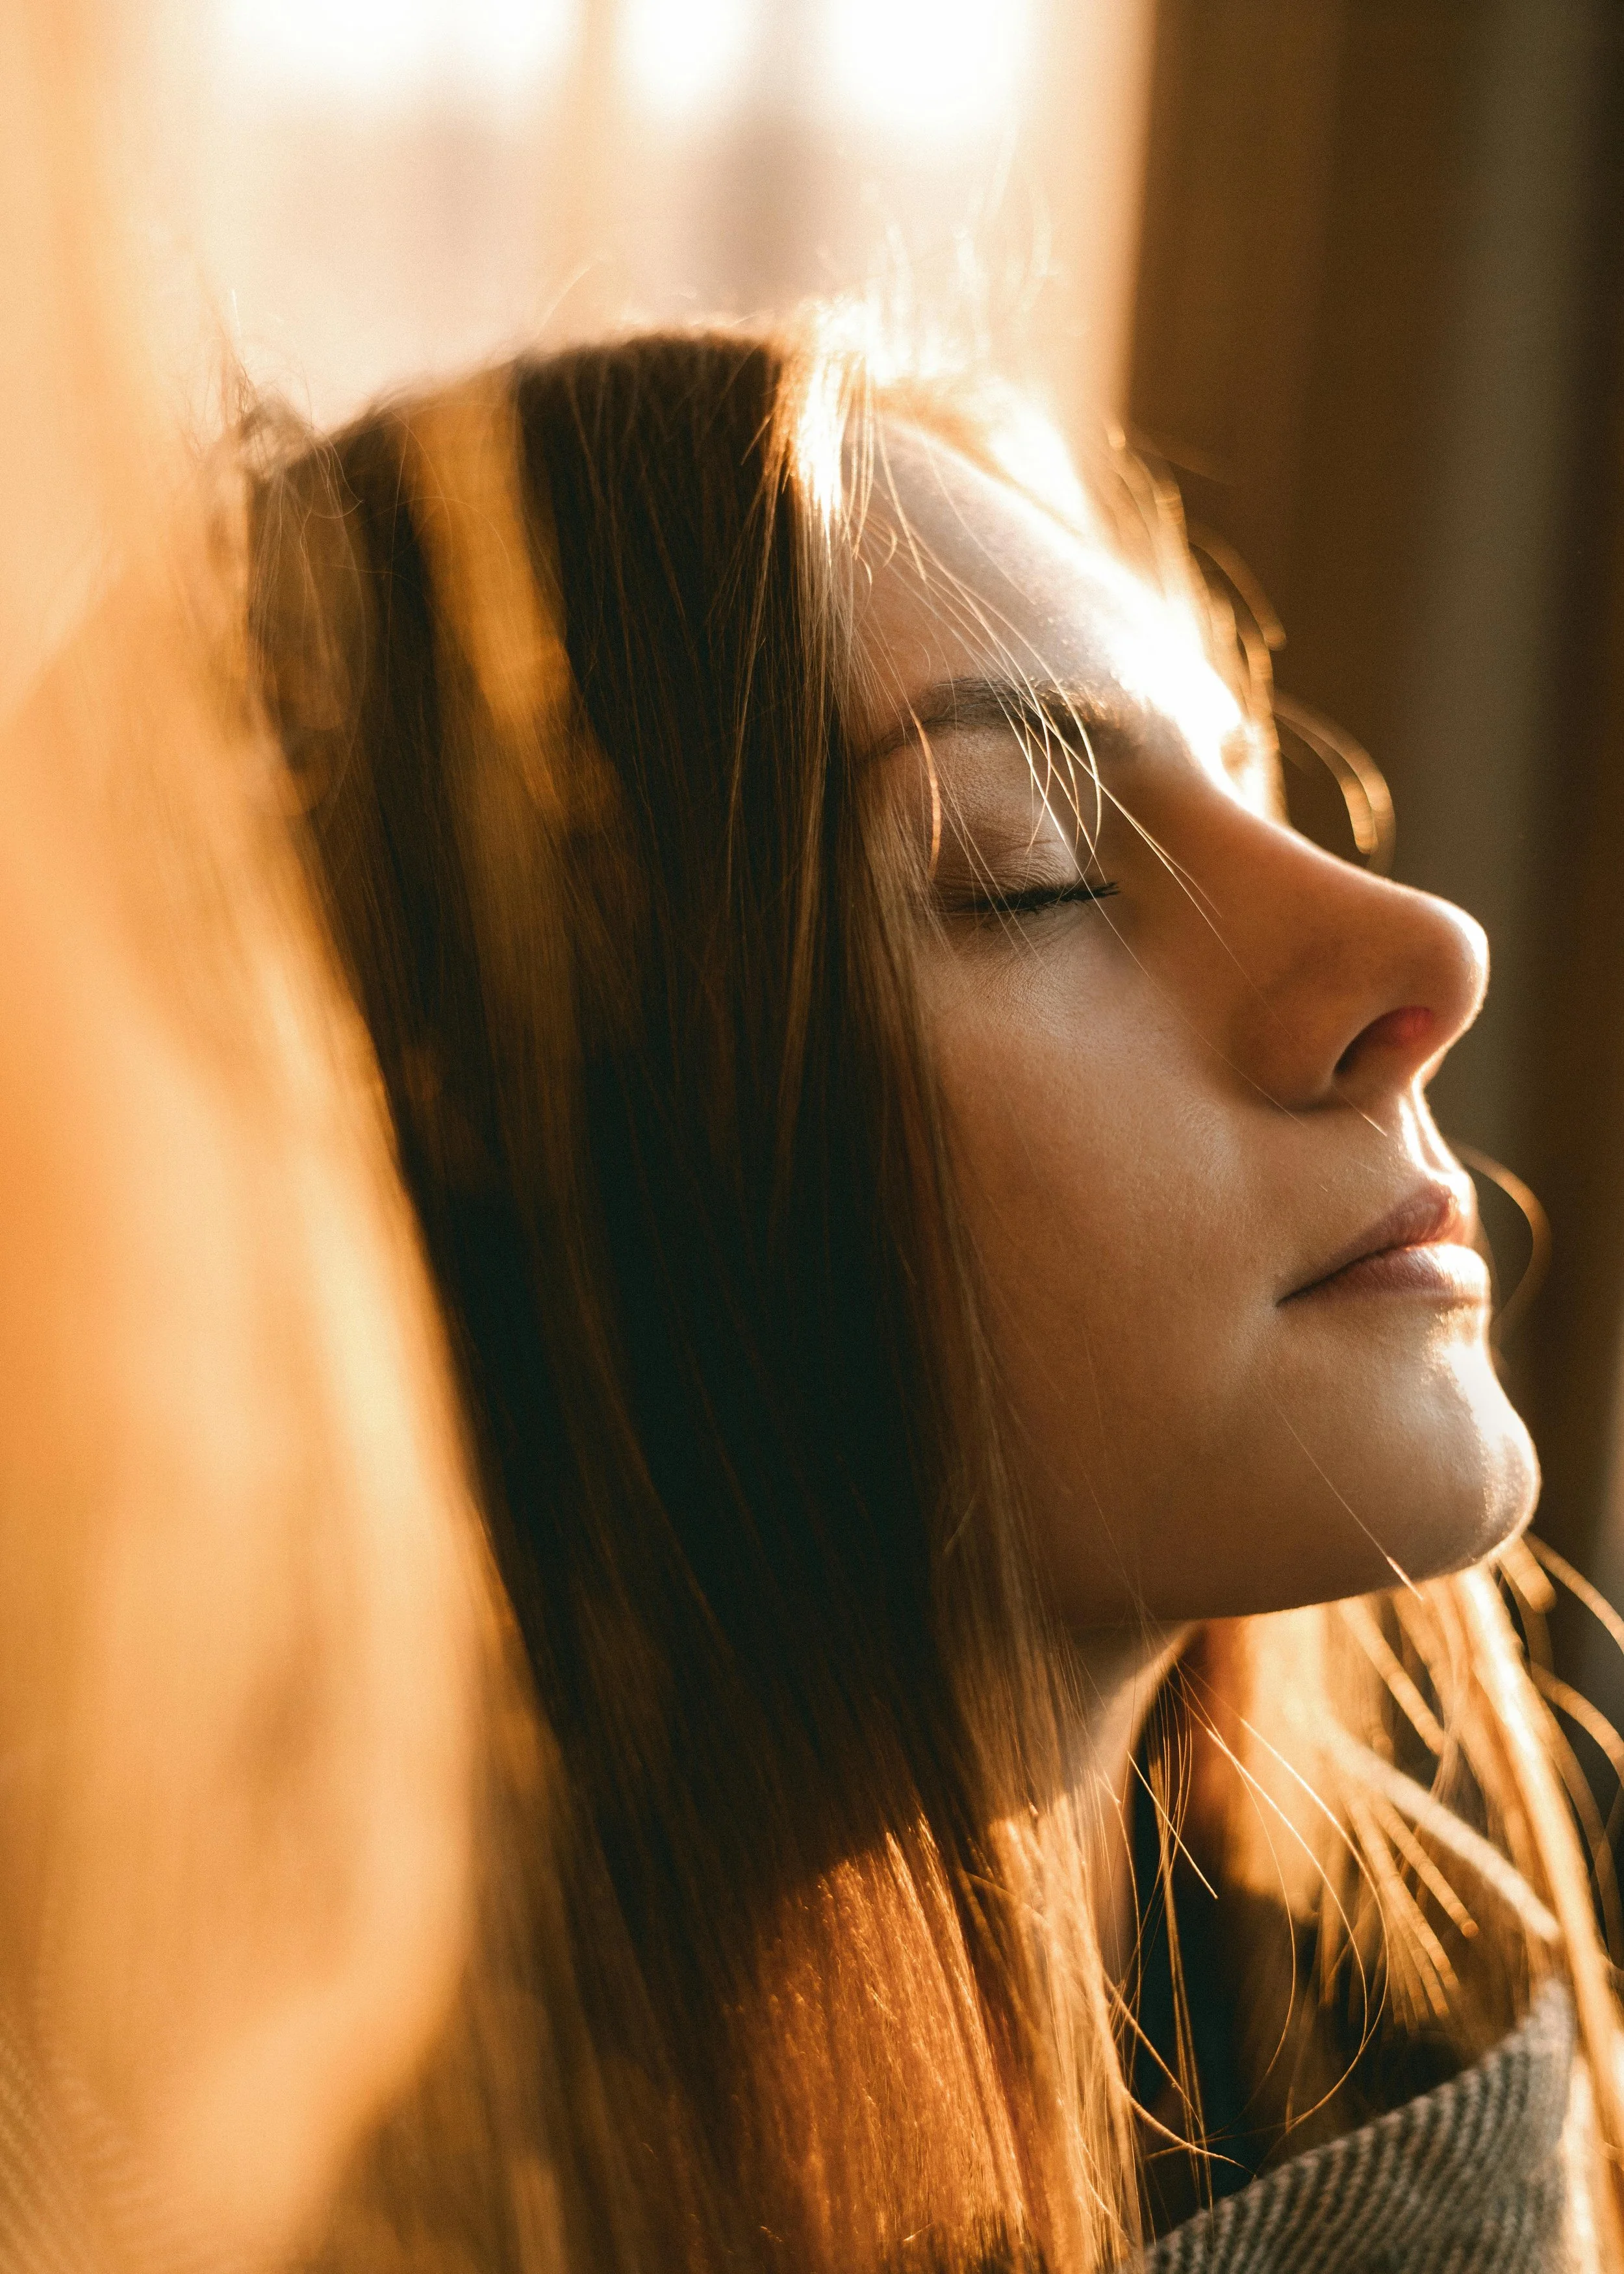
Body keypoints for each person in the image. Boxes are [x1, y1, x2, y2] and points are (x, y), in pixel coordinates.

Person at [248, 329, 1623, 2273]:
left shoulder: (1457, 2105)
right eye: (1030, 864)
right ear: (552, 1162)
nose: (1418, 946)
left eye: (1247, 785)